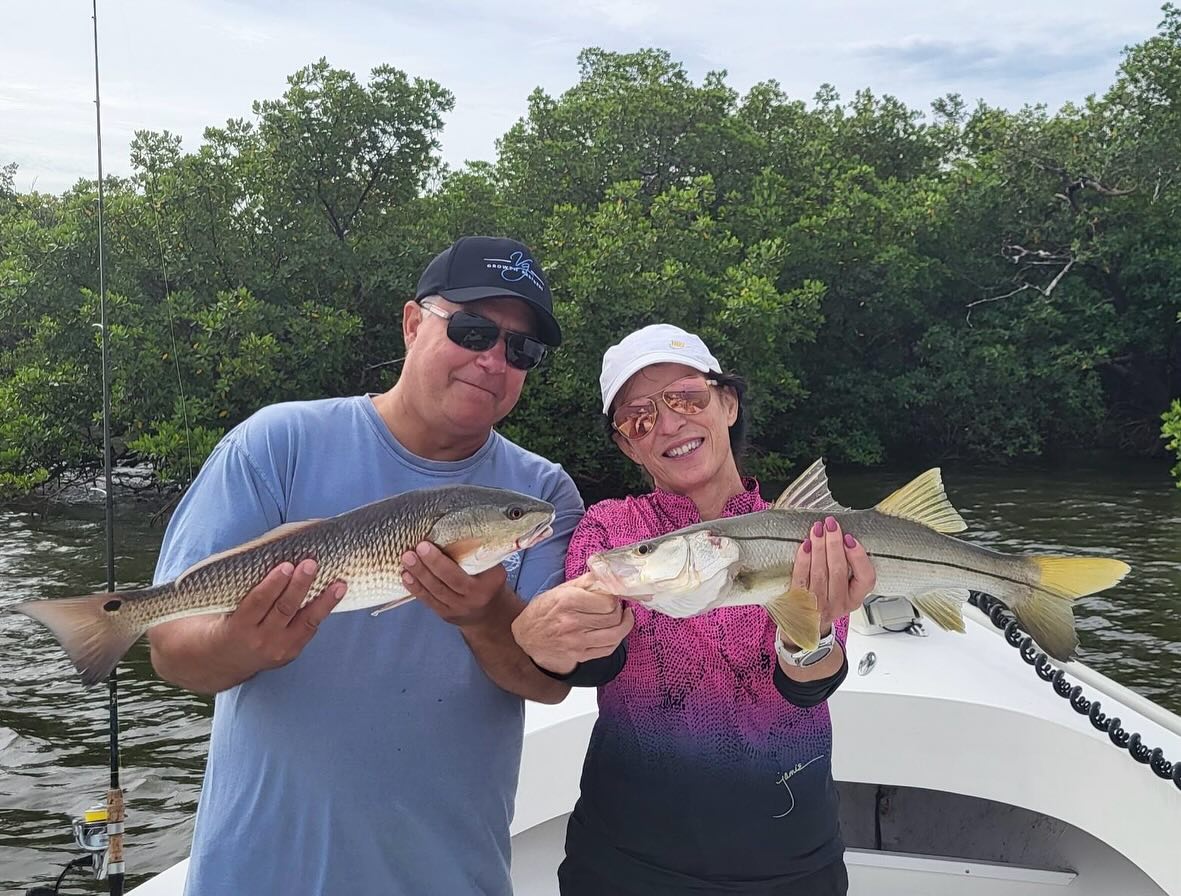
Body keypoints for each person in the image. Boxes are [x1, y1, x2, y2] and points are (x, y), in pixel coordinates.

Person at [147, 236, 586, 895]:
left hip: (448, 877)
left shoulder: (542, 498)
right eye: (471, 329)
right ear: (413, 323)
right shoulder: (275, 443)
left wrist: (487, 613)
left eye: (520, 349)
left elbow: (549, 684)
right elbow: (170, 650)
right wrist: (241, 644)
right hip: (259, 875)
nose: (493, 359)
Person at [512, 324, 877, 896]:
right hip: (626, 860)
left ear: (727, 402)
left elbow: (808, 685)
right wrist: (550, 644)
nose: (669, 423)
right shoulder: (612, 530)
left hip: (788, 859)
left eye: (686, 397)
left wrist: (814, 634)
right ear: (628, 445)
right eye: (638, 417)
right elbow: (593, 662)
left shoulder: (803, 534)